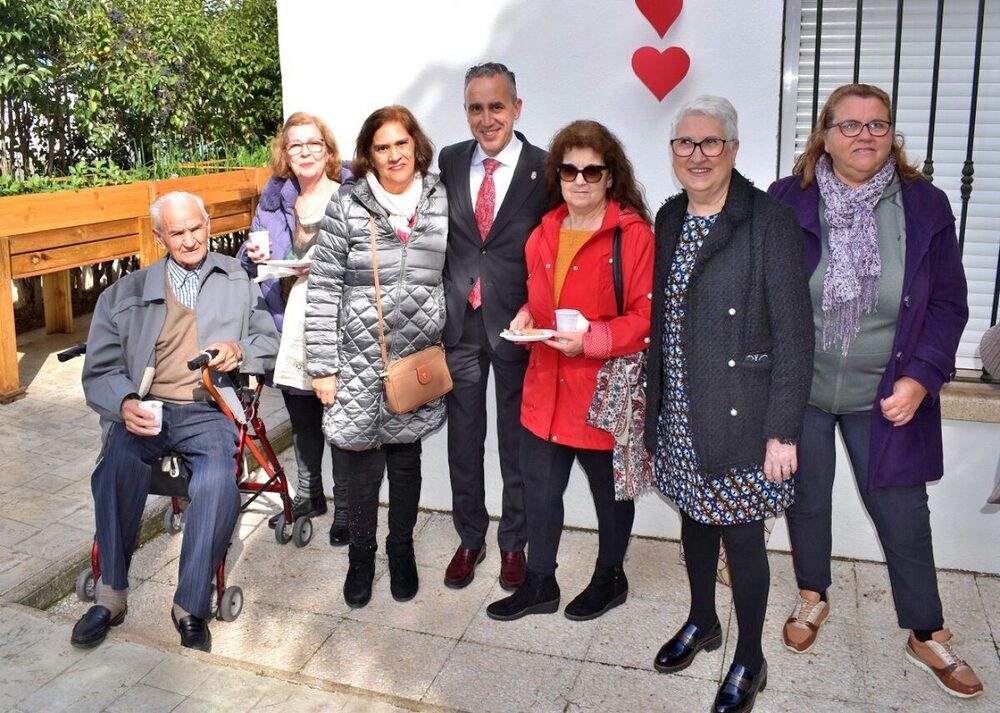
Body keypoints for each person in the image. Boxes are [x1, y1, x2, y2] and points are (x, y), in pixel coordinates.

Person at [769, 83, 983, 699]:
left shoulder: (925, 205)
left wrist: (921, 378)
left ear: (892, 134)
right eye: (850, 125)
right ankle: (813, 595)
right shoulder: (788, 200)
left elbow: (947, 302)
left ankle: (925, 630)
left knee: (903, 515)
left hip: (888, 394)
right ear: (824, 135)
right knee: (805, 496)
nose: (865, 136)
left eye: (878, 124)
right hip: (800, 389)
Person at [645, 96, 813, 713]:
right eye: (685, 144)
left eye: (710, 142)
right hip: (681, 410)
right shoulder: (669, 218)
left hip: (744, 410)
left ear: (734, 149)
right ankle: (701, 621)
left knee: (742, 540)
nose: (697, 155)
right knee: (693, 520)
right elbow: (664, 322)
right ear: (672, 154)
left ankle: (751, 657)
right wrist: (655, 409)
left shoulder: (767, 220)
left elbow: (796, 335)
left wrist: (783, 432)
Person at [72, 192, 279, 653]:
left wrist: (241, 351)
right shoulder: (123, 294)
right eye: (177, 232)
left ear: (208, 225)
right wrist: (123, 402)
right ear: (159, 237)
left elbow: (268, 340)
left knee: (215, 481)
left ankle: (189, 606)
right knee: (113, 469)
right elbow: (101, 370)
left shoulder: (237, 280)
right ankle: (111, 596)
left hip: (209, 408)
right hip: (148, 408)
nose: (189, 240)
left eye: (196, 228)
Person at [485, 120, 654, 622]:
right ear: (556, 174)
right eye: (569, 170)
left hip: (601, 390)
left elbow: (646, 321)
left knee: (609, 493)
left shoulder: (633, 236)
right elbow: (541, 302)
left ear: (610, 176)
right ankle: (540, 583)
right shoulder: (544, 232)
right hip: (545, 386)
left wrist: (593, 341)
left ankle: (610, 578)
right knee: (539, 489)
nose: (579, 180)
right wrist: (525, 315)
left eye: (592, 170)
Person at [305, 106, 447, 609]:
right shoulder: (348, 204)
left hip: (415, 363)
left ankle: (401, 550)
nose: (393, 155)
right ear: (369, 154)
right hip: (357, 361)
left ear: (416, 146)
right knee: (361, 470)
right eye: (382, 147)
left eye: (400, 144)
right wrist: (322, 367)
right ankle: (360, 558)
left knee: (407, 465)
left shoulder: (439, 200)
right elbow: (321, 288)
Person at [438, 62, 548, 592]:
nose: (487, 119)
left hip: (515, 327)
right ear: (466, 112)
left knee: (515, 443)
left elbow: (551, 251)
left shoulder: (545, 170)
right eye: (476, 108)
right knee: (464, 440)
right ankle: (470, 537)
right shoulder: (450, 160)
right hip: (460, 325)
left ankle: (514, 544)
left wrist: (537, 308)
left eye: (496, 106)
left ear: (517, 108)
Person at [240, 111, 351, 545]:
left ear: (327, 151)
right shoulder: (271, 205)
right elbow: (251, 263)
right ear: (285, 154)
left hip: (338, 324)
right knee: (303, 420)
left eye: (313, 143)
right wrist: (250, 254)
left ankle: (346, 505)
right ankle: (310, 494)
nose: (305, 151)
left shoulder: (348, 199)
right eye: (295, 145)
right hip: (288, 325)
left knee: (340, 421)